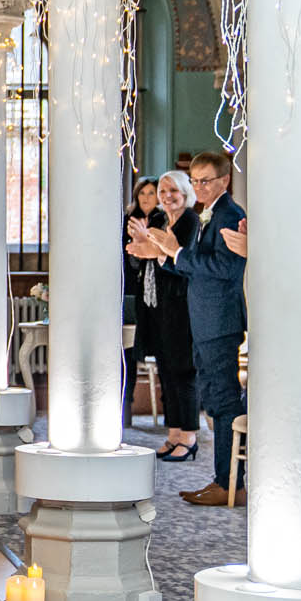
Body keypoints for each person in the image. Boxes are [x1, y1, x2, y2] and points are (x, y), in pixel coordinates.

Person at [130, 150, 246, 505]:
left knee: (223, 401)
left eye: (204, 181)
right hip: (205, 319)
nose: (199, 187)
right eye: (194, 180)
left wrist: (174, 252)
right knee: (214, 400)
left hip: (220, 320)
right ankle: (223, 478)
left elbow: (224, 268)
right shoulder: (209, 214)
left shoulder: (229, 214)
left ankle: (230, 483)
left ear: (224, 181)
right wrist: (164, 255)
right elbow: (195, 266)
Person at [141, 170, 200, 459]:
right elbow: (146, 251)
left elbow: (180, 261)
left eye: (173, 191)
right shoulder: (162, 220)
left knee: (183, 370)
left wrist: (155, 250)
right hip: (161, 303)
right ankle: (174, 432)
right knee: (167, 370)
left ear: (185, 192)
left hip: (184, 304)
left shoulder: (190, 219)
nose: (166, 196)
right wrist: (151, 248)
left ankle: (188, 435)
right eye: (163, 191)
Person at [122, 177, 159, 424]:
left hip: (155, 294)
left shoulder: (162, 220)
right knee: (126, 352)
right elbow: (128, 260)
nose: (146, 198)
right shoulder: (126, 221)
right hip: (129, 292)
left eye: (151, 193)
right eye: (142, 193)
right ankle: (126, 407)